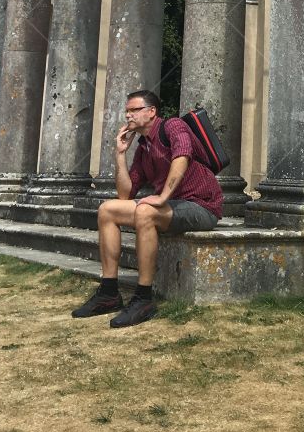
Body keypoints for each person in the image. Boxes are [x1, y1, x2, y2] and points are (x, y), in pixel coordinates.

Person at [71, 89, 223, 327]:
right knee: (107, 210)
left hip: (201, 206)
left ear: (151, 112)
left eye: (134, 110)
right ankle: (109, 292)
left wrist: (162, 196)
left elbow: (182, 156)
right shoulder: (144, 146)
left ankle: (144, 298)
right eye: (127, 111)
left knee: (145, 211)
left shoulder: (173, 126)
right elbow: (125, 194)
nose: (128, 116)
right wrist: (120, 154)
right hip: (173, 206)